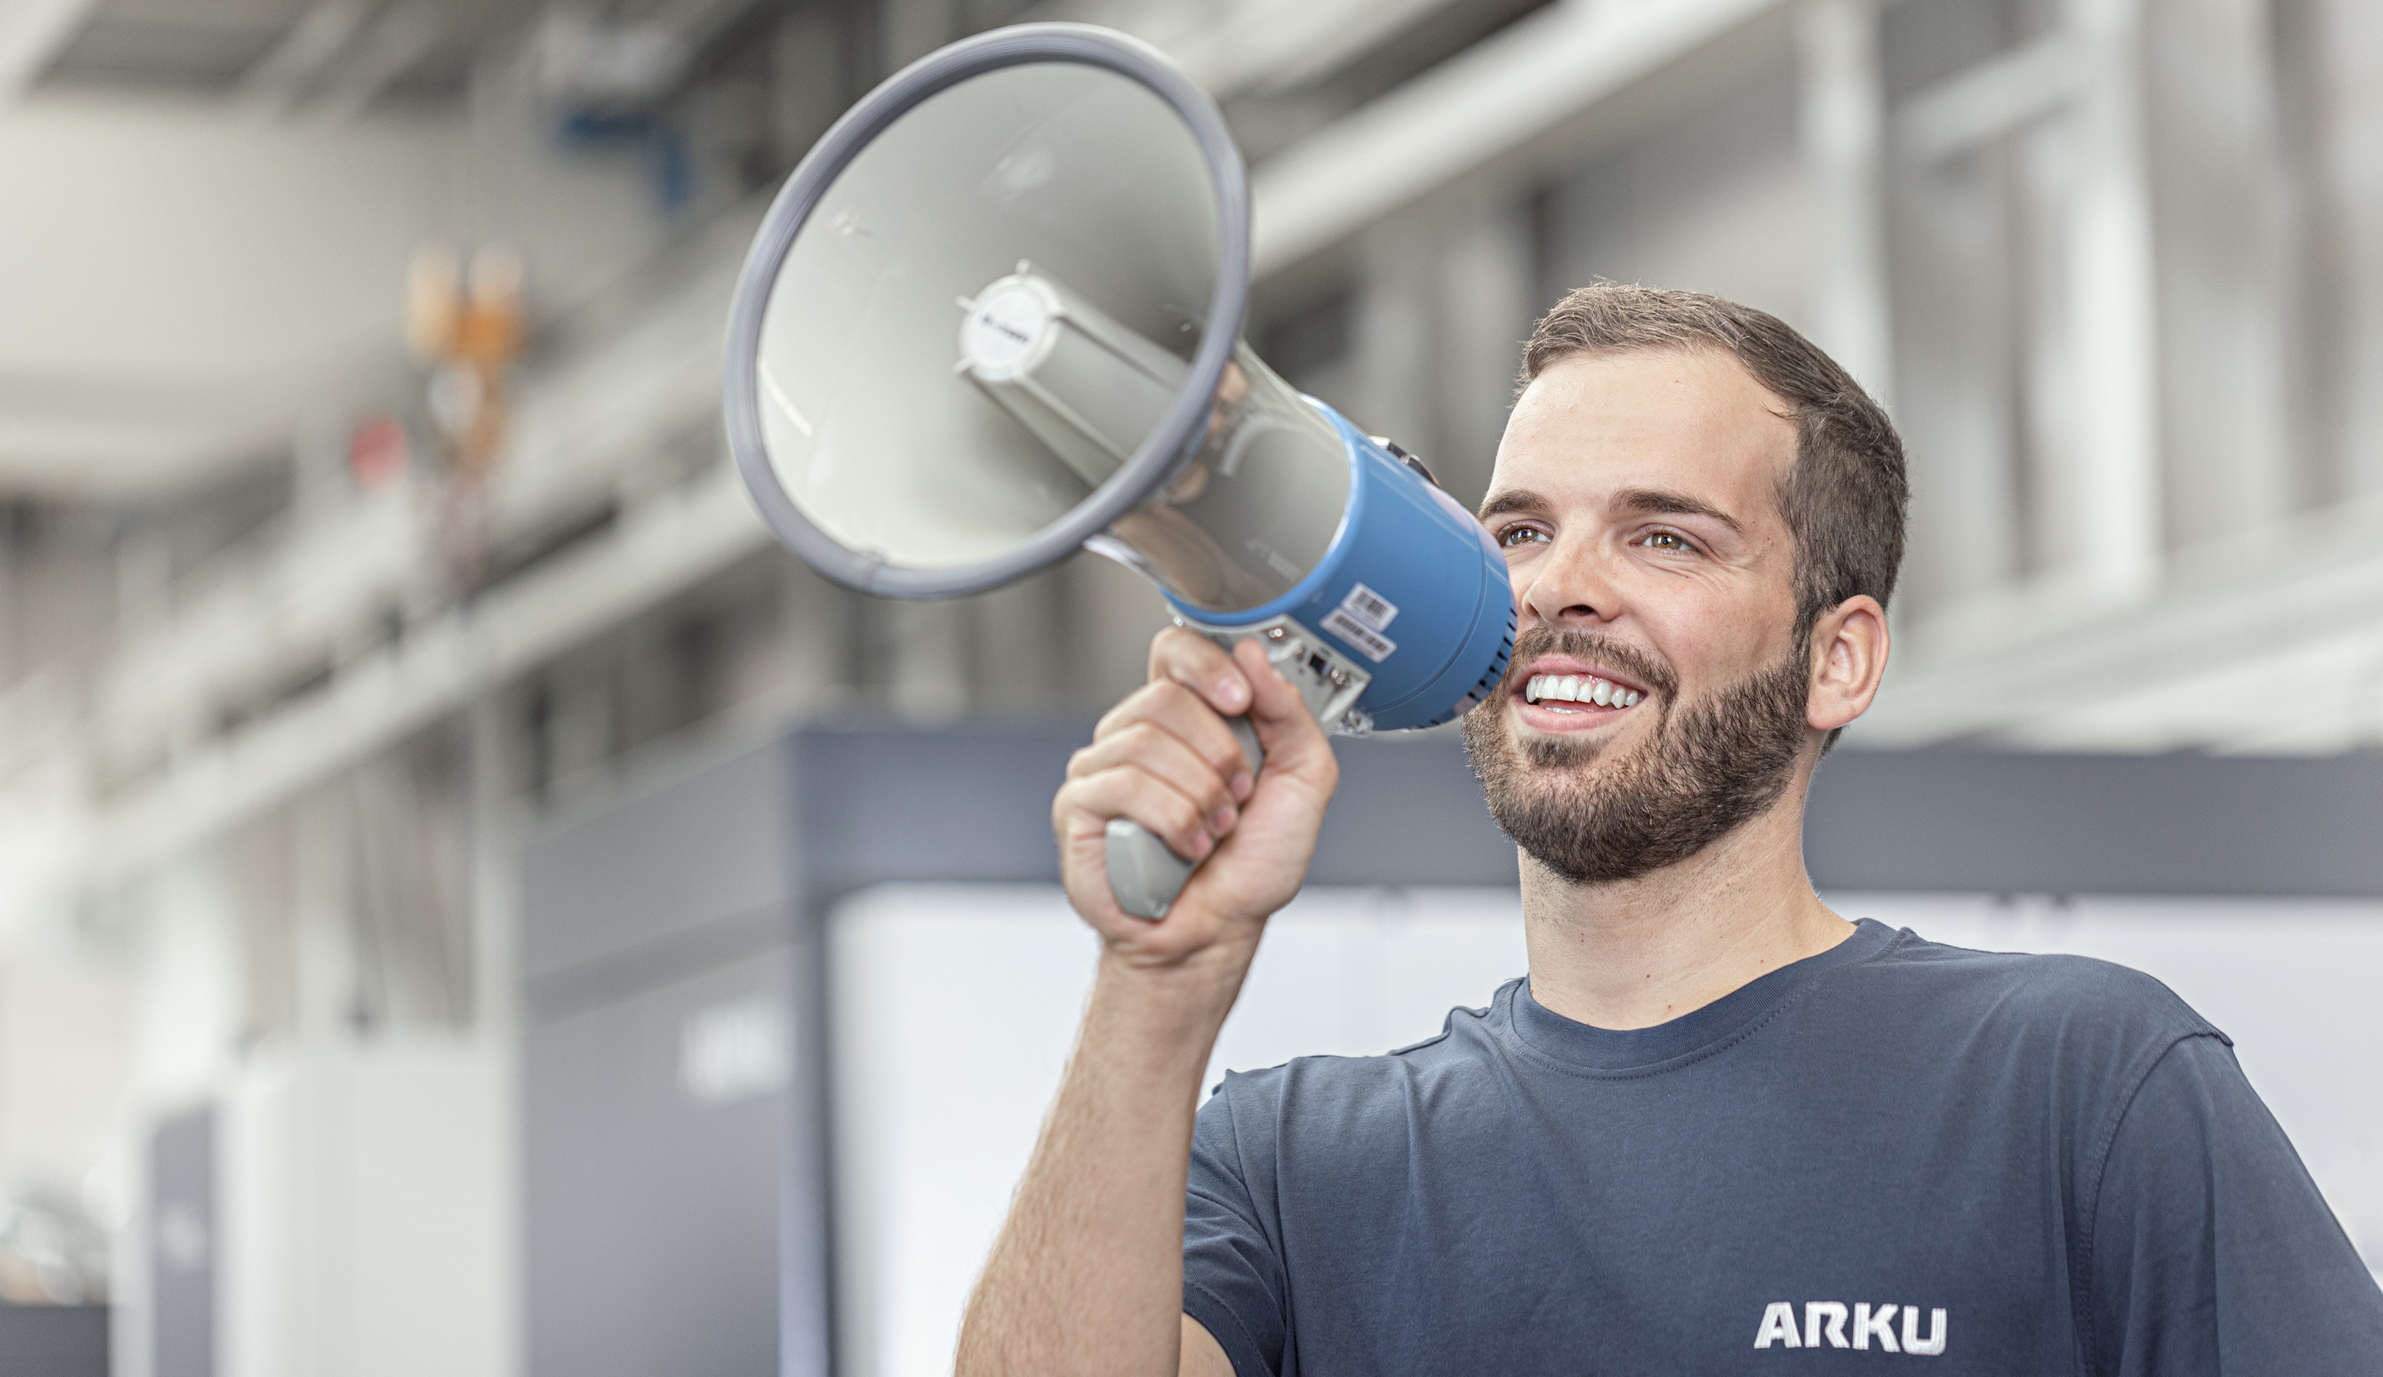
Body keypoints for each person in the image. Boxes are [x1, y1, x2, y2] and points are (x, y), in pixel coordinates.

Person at [954, 284, 2383, 1375]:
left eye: (1666, 537)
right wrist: (1155, 985)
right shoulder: (1293, 1163)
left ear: (1841, 657)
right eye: (1517, 531)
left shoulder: (2078, 1083)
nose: (1560, 586)